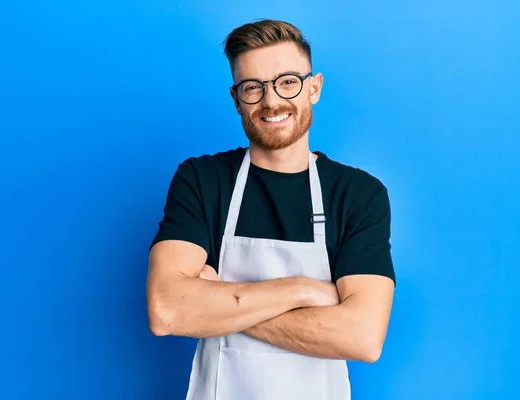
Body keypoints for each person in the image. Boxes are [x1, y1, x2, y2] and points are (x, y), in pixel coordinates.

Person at [146, 18, 396, 400]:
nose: (271, 101)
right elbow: (167, 312)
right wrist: (304, 290)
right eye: (253, 88)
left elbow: (362, 337)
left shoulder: (358, 194)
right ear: (236, 99)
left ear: (314, 88)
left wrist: (219, 304)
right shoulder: (203, 180)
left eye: (287, 81)